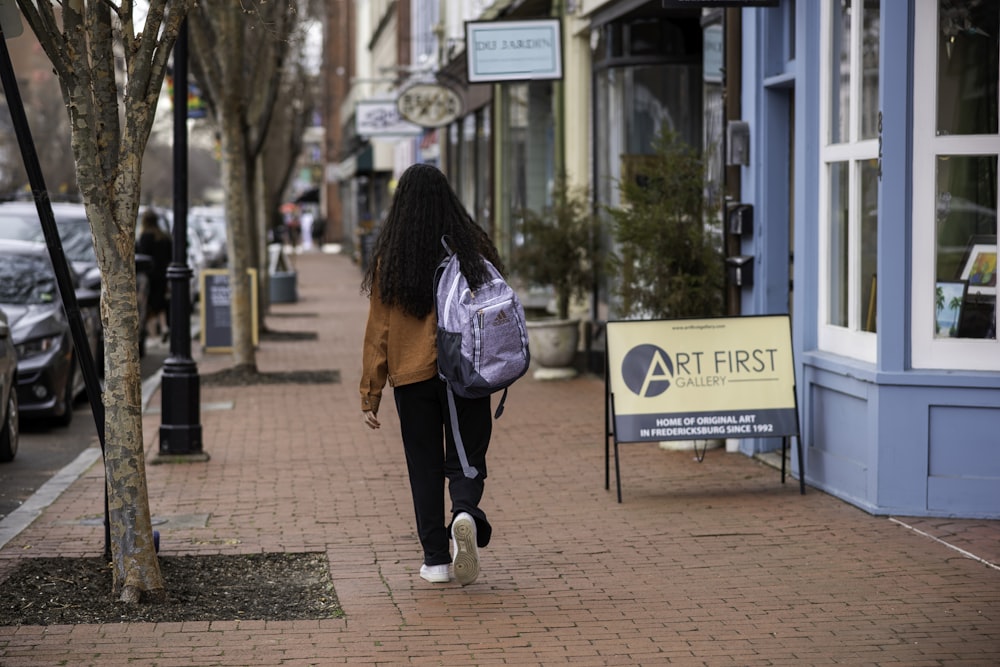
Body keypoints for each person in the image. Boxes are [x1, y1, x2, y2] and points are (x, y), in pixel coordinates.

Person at [360, 163, 505, 586]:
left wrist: (371, 391)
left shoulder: (394, 256)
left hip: (412, 375)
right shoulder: (471, 246)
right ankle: (464, 512)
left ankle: (436, 561)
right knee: (467, 455)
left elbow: (379, 329)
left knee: (422, 465)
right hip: (465, 372)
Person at [136, 209, 173, 342]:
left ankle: (153, 336)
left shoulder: (145, 237)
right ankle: (163, 327)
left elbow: (141, 255)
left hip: (149, 276)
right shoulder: (164, 237)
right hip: (163, 275)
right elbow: (170, 256)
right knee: (161, 303)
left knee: (149, 305)